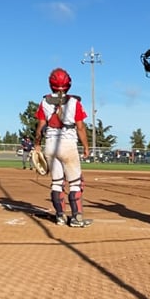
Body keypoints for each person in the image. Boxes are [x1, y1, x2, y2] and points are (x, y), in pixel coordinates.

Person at [35, 68, 92, 227]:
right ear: (69, 84)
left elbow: (40, 127)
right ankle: (76, 218)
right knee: (75, 183)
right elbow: (80, 128)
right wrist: (86, 147)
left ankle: (60, 216)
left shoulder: (44, 102)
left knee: (56, 182)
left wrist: (37, 144)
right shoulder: (74, 103)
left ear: (51, 84)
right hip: (68, 145)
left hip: (50, 145)